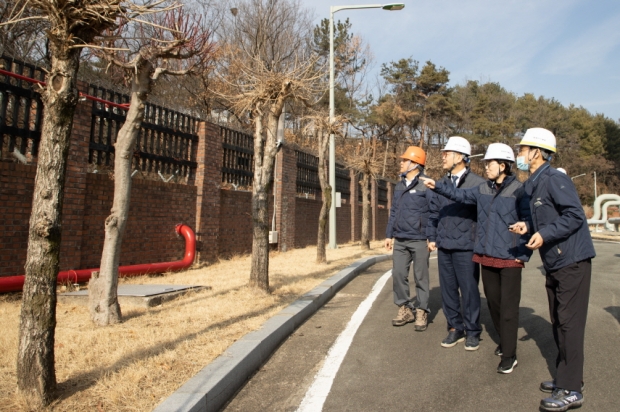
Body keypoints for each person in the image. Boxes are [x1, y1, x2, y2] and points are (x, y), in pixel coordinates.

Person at [421, 143, 532, 373]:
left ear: (502, 166)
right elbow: (459, 194)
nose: (486, 167)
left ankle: (509, 354)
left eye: (490, 163)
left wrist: (524, 253)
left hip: (511, 258)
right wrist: (437, 187)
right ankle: (504, 341)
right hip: (488, 257)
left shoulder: (519, 190)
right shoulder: (483, 189)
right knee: (494, 304)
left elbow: (530, 220)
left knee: (509, 308)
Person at [509, 127, 595, 411]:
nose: (519, 154)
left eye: (523, 149)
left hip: (572, 261)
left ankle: (572, 389)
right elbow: (548, 218)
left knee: (569, 324)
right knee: (559, 321)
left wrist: (544, 235)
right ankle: (567, 377)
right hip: (556, 262)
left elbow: (574, 216)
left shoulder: (555, 179)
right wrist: (529, 227)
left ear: (537, 152)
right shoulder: (535, 183)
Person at [427, 136, 485, 350]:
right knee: (448, 289)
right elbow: (433, 212)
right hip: (444, 244)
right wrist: (431, 236)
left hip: (467, 245)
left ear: (460, 157)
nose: (442, 156)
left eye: (447, 153)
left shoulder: (478, 183)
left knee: (469, 289)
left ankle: (472, 330)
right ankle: (455, 328)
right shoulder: (439, 183)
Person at [385, 146, 433, 331]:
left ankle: (422, 310)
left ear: (415, 164)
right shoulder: (399, 185)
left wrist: (431, 236)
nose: (401, 163)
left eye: (405, 160)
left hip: (420, 239)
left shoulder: (426, 184)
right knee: (398, 274)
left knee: (421, 277)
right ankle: (404, 308)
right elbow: (394, 211)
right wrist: (389, 234)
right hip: (401, 238)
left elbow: (433, 212)